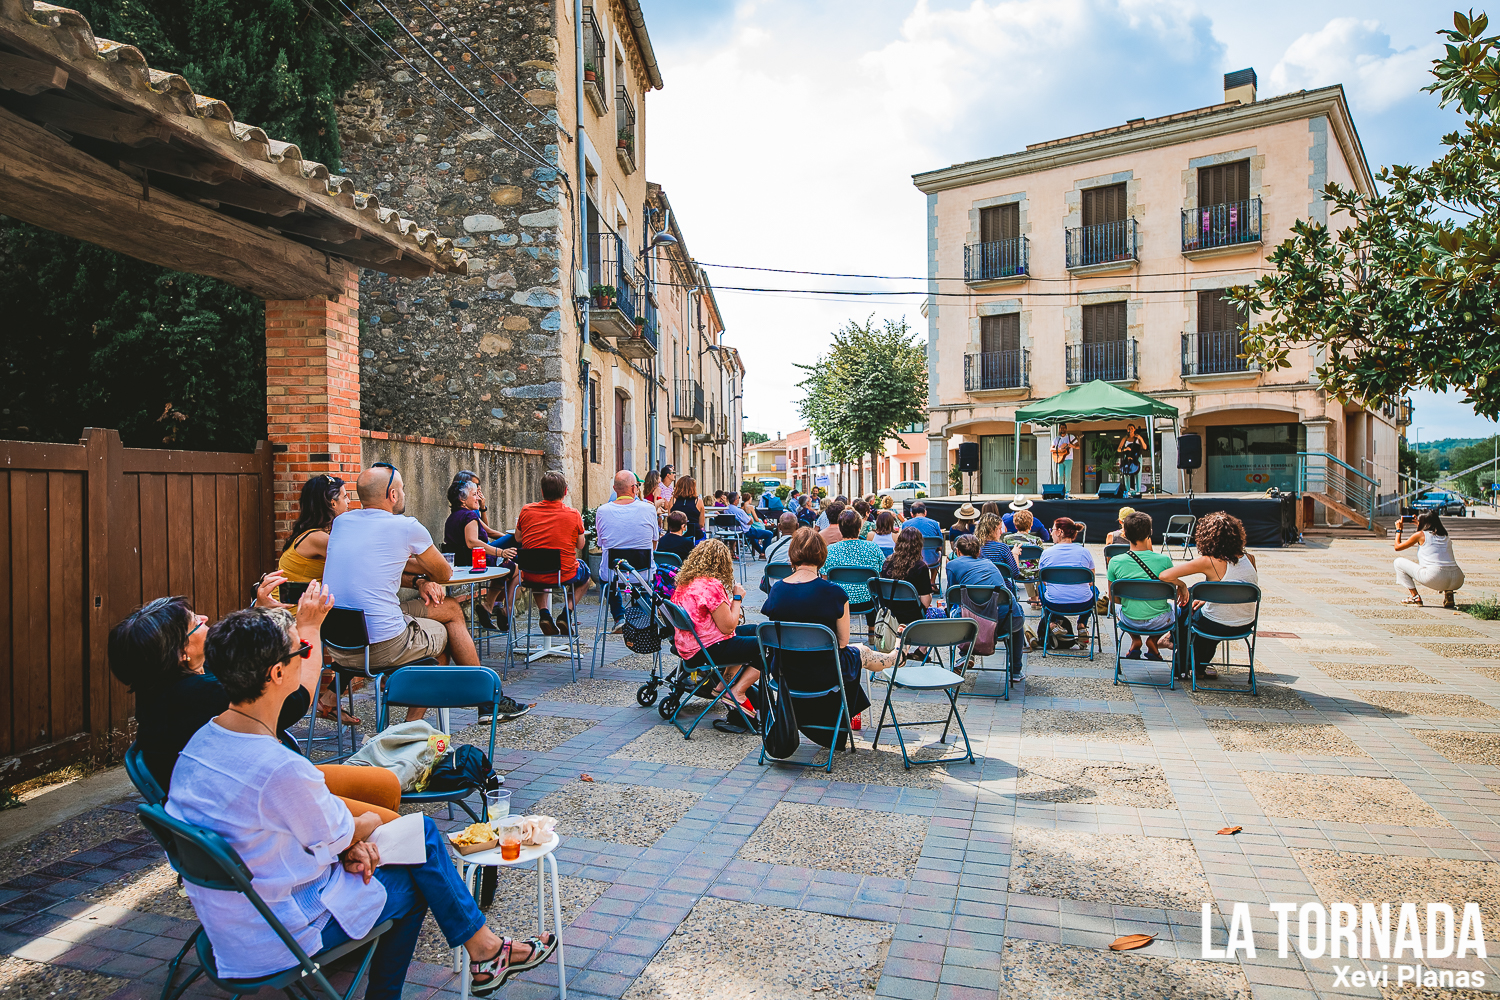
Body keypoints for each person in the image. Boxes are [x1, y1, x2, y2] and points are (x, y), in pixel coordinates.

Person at [165, 608, 555, 1000]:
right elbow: (347, 828)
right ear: (277, 674)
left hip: (230, 928)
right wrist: (362, 827)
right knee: (419, 871)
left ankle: (487, 950)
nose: (307, 656)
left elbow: (325, 835)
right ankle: (480, 954)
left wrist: (351, 843)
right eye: (300, 649)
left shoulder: (199, 744)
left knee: (419, 835)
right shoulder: (279, 767)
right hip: (277, 937)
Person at [323, 465, 526, 722]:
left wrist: (418, 579)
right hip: (381, 646)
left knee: (450, 608)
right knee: (444, 637)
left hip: (338, 645)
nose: (405, 494)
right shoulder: (406, 527)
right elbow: (443, 573)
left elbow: (381, 562)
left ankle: (332, 697)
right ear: (393, 495)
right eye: (403, 489)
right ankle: (413, 729)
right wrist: (423, 567)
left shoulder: (341, 523)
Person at [763, 528, 899, 747]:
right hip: (824, 673)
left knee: (853, 651)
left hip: (785, 672)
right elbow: (843, 642)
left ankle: (893, 658)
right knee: (859, 650)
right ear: (822, 556)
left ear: (792, 555)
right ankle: (894, 657)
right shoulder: (834, 592)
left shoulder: (777, 589)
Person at [276, 473, 355, 723]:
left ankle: (330, 699)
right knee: (368, 631)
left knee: (360, 630)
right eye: (344, 496)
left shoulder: (312, 534)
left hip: (299, 614)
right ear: (331, 503)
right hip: (295, 622)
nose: (349, 501)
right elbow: (360, 562)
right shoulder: (317, 538)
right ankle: (329, 699)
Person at [669, 540, 761, 732]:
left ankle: (723, 684)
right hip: (708, 649)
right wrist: (737, 598)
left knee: (756, 631)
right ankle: (737, 692)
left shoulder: (684, 583)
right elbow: (728, 627)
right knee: (768, 645)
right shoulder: (711, 586)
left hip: (690, 646)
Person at [1160, 511, 1258, 681]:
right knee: (1196, 605)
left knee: (1185, 607)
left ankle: (1177, 652)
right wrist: (1209, 596)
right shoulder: (1250, 558)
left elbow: (1165, 575)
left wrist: (1182, 586)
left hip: (1216, 623)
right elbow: (1239, 588)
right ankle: (1198, 667)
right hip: (1245, 623)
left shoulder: (1209, 561)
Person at [514, 470, 591, 636]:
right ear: (565, 492)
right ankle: (566, 614)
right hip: (563, 574)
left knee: (538, 572)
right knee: (586, 576)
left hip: (531, 574)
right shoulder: (573, 514)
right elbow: (580, 544)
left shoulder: (526, 511)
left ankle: (544, 614)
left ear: (542, 492)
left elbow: (518, 538)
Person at [444, 479, 517, 633]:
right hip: (476, 563)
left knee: (508, 562)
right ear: (462, 499)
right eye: (474, 494)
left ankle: (494, 606)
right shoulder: (469, 516)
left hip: (463, 562)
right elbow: (472, 542)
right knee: (514, 568)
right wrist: (501, 552)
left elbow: (488, 533)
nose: (478, 497)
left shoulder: (454, 517)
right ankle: (496, 607)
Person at [596, 470, 662, 629]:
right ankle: (639, 616)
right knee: (651, 576)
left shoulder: (602, 511)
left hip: (613, 575)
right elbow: (654, 544)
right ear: (634, 489)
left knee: (609, 577)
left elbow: (601, 544)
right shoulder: (648, 509)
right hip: (642, 574)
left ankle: (619, 617)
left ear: (615, 489)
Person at [1106, 511, 1175, 660]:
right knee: (1179, 609)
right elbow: (1172, 593)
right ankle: (1153, 640)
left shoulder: (1115, 562)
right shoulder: (1165, 561)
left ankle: (1135, 639)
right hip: (1160, 621)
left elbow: (1114, 598)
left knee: (1117, 607)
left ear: (1125, 534)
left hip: (1129, 620)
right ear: (1150, 532)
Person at [1037, 517, 1096, 642]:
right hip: (1082, 603)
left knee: (1040, 587)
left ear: (1060, 532)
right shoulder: (1084, 552)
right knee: (1095, 589)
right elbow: (1091, 580)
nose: (1051, 533)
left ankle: (1052, 622)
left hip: (1054, 603)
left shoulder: (1046, 554)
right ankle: (1082, 624)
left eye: (1052, 530)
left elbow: (1044, 581)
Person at [1392, 510, 1464, 608]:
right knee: (1444, 562)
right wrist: (1419, 522)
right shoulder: (1445, 535)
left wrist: (1398, 530)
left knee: (1398, 562)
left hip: (1435, 577)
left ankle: (1415, 597)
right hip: (1457, 578)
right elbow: (1428, 533)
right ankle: (1449, 594)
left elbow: (1397, 547)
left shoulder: (1420, 535)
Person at [823, 510, 886, 615]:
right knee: (871, 589)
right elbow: (883, 573)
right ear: (859, 528)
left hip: (839, 601)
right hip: (869, 602)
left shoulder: (830, 550)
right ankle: (872, 629)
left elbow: (825, 580)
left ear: (840, 528)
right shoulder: (873, 547)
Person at [878, 526, 934, 623]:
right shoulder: (921, 567)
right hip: (913, 614)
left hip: (890, 613)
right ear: (919, 545)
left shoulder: (887, 562)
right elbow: (925, 603)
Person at [759, 511, 800, 594]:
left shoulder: (769, 549)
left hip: (776, 590)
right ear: (797, 526)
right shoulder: (803, 548)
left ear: (779, 527)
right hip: (798, 589)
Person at [904, 501, 944, 568]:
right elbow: (940, 546)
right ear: (925, 512)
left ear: (911, 514)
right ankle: (932, 579)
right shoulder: (935, 524)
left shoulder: (905, 524)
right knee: (937, 556)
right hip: (932, 561)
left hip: (911, 560)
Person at [670, 475, 707, 542]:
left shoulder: (673, 500)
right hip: (695, 535)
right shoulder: (698, 501)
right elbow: (701, 524)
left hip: (675, 536)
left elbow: (670, 519)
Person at [1118, 424, 1146, 493]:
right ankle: (1127, 490)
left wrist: (1140, 438)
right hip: (1127, 457)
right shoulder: (1125, 438)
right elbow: (1118, 449)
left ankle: (1138, 490)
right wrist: (1125, 449)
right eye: (1128, 428)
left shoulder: (1138, 438)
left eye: (1131, 428)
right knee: (1126, 473)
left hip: (1136, 457)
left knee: (1138, 473)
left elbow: (1145, 447)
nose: (1130, 429)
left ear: (1134, 429)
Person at [1051, 425, 1079, 490]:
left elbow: (1078, 446)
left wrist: (1072, 446)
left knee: (1067, 476)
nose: (1062, 429)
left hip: (1069, 459)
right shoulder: (1057, 439)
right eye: (1061, 428)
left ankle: (1067, 492)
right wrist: (1059, 450)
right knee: (1060, 476)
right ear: (1059, 429)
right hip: (1059, 459)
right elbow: (1051, 449)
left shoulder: (1071, 437)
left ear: (1066, 429)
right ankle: (1060, 491)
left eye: (1063, 428)